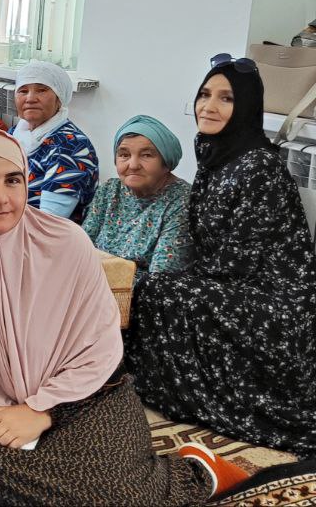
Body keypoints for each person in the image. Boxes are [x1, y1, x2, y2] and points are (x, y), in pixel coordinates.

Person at [0, 128, 248, 504]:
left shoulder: (64, 242)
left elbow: (100, 351)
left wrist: (42, 409)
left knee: (120, 496)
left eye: (13, 181)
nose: (1, 198)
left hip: (86, 397)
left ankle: (191, 471)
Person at [127, 55, 316, 455]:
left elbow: (239, 263)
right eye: (204, 95)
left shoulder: (259, 166)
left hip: (278, 301)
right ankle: (175, 391)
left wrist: (180, 281)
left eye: (226, 98)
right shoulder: (216, 155)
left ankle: (197, 397)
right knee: (154, 288)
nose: (208, 107)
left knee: (161, 290)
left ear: (245, 106)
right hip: (235, 282)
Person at [82, 115, 192, 274]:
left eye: (146, 155)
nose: (133, 165)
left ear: (166, 162)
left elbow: (161, 278)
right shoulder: (109, 190)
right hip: (91, 281)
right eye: (124, 155)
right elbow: (82, 250)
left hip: (138, 289)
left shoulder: (182, 201)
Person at [11, 61, 99, 221]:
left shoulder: (72, 146)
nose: (30, 98)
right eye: (23, 91)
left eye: (42, 90)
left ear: (60, 98)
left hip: (42, 232)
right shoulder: (14, 134)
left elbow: (49, 220)